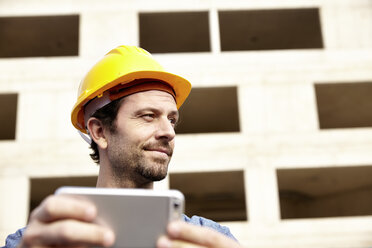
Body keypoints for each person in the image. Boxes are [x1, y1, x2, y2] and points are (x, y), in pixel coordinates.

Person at [3, 45, 241, 248]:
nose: (169, 132)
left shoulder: (208, 239)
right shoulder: (37, 242)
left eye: (172, 120)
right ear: (100, 131)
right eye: (148, 116)